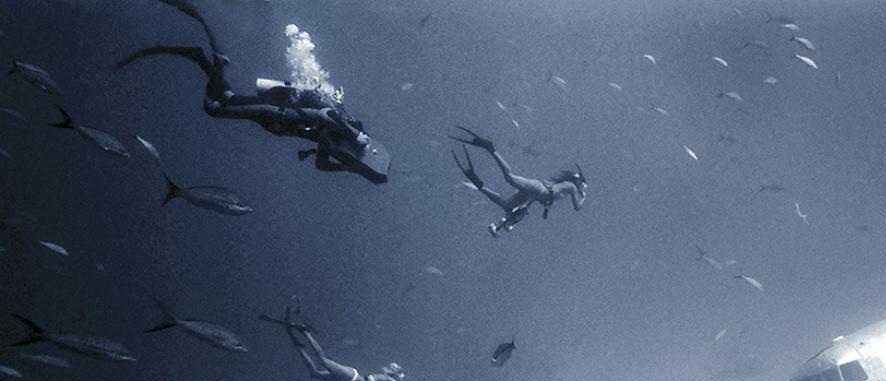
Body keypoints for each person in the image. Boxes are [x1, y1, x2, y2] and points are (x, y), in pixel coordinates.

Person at [115, 0, 389, 182]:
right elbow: (325, 114)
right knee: (215, 108)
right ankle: (210, 57)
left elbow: (321, 164)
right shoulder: (340, 128)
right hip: (275, 116)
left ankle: (201, 57)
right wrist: (356, 135)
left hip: (275, 123)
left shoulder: (333, 144)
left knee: (224, 99)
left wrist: (348, 167)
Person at [260, 306, 434, 381]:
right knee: (322, 359)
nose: (388, 367)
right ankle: (305, 332)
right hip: (351, 376)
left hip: (346, 378)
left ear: (393, 373)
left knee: (314, 373)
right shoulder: (387, 380)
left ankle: (297, 343)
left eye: (391, 367)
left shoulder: (388, 380)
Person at [449, 127, 585, 236]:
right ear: (577, 181)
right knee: (510, 178)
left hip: (535, 192)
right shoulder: (572, 187)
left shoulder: (563, 188)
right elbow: (577, 207)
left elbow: (537, 198)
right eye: (581, 183)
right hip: (538, 188)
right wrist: (583, 196)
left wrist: (523, 208)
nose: (580, 187)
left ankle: (477, 182)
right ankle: (491, 149)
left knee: (506, 205)